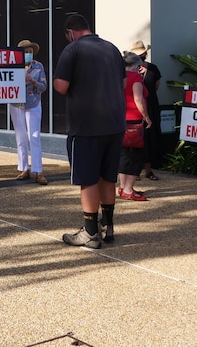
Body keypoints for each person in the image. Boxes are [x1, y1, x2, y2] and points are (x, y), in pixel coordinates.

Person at [53, 14, 126, 248]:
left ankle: (91, 231)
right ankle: (109, 225)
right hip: (114, 125)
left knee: (88, 179)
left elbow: (61, 86)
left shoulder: (72, 50)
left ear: (71, 32)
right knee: (107, 178)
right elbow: (122, 83)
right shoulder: (112, 49)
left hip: (86, 126)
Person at [10, 39, 48, 185]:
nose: (28, 54)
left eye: (30, 52)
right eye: (25, 52)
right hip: (16, 104)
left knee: (35, 136)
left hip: (33, 103)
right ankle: (24, 168)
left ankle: (38, 171)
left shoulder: (38, 66)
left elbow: (43, 86)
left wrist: (32, 81)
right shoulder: (13, 66)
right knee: (21, 138)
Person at [119, 52, 152, 201]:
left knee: (124, 155)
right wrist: (146, 117)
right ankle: (128, 189)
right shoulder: (135, 77)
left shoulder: (118, 77)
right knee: (137, 156)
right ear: (136, 66)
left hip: (120, 119)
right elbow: (138, 99)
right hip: (134, 120)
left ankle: (123, 186)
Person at [130, 40, 162, 180]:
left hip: (150, 106)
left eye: (142, 54)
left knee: (150, 139)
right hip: (134, 108)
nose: (141, 57)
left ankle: (148, 170)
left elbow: (156, 86)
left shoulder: (153, 69)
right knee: (134, 139)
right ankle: (134, 171)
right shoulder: (130, 70)